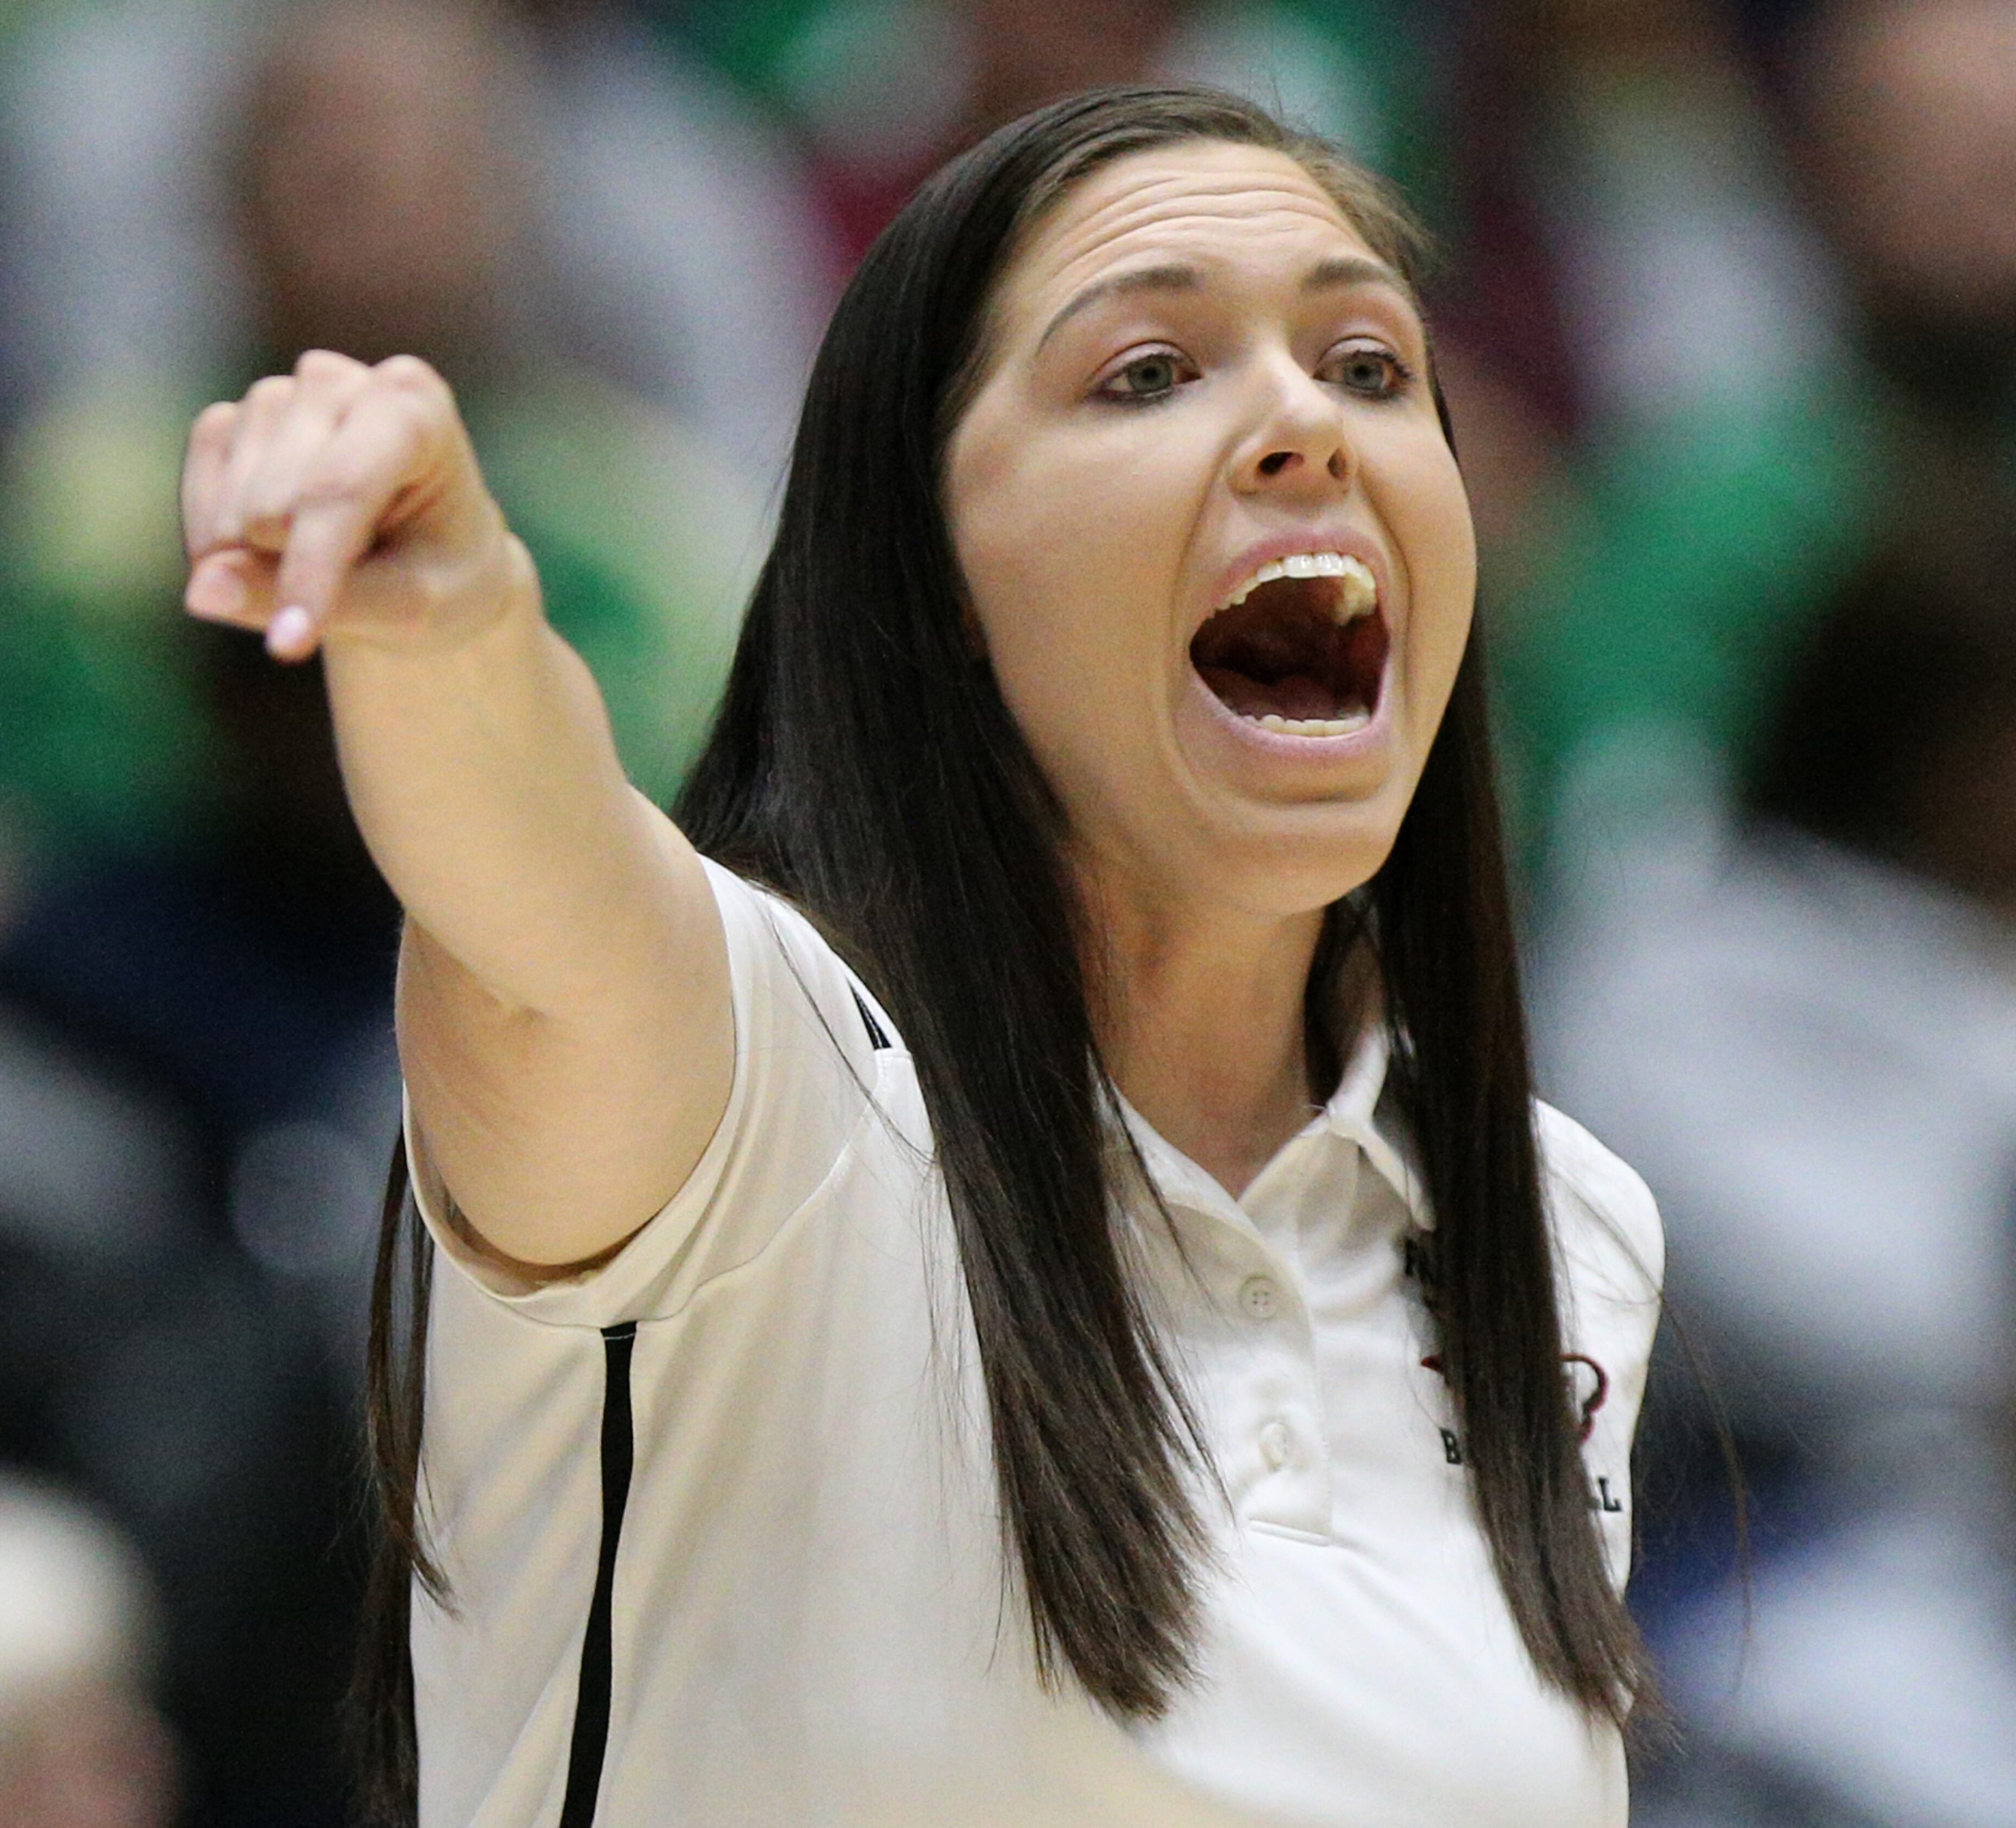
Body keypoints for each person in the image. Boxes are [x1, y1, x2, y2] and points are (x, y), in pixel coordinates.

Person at [178, 87, 1661, 1828]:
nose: (1303, 426)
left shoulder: (1566, 1228)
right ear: (931, 579)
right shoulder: (767, 1089)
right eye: (1148, 373)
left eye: (1369, 365)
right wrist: (451, 621)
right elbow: (536, 893)